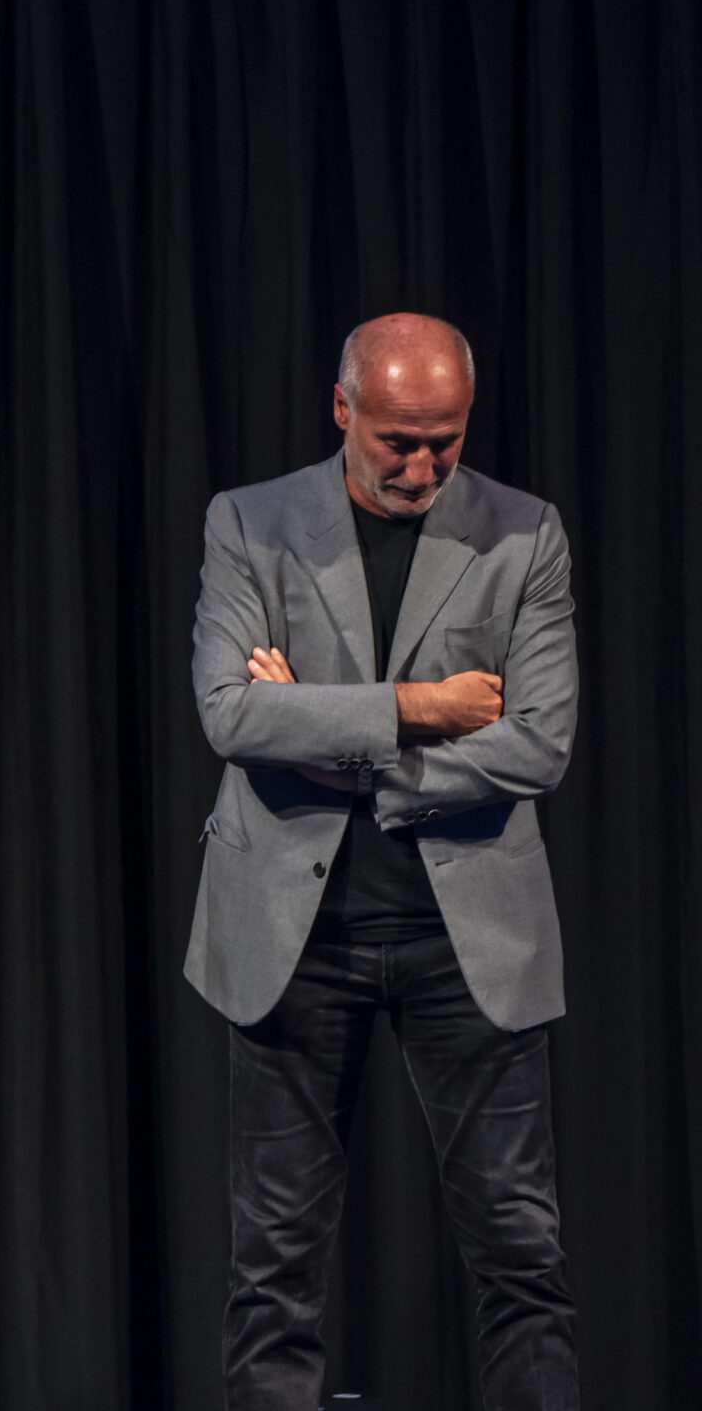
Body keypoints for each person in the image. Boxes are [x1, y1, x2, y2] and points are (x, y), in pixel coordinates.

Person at [186, 312, 578, 1408]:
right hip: (292, 936)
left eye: (444, 441)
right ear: (342, 408)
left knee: (521, 1254)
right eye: (398, 441)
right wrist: (424, 708)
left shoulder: (525, 532)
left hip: (471, 941)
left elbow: (540, 742)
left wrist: (333, 740)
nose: (421, 467)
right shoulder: (250, 522)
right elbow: (230, 715)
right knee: (272, 1269)